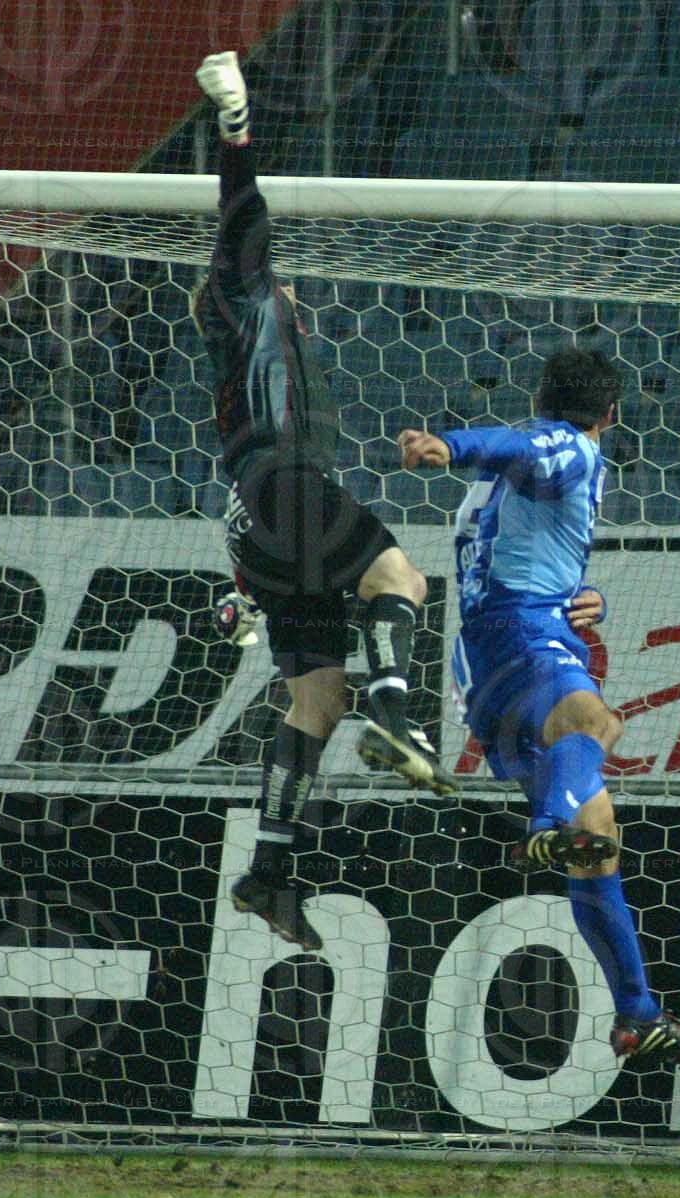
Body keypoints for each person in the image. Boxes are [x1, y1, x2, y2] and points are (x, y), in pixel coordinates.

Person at [194, 51, 454, 955]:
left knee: (314, 701)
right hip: (284, 487)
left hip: (260, 514)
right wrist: (235, 125)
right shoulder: (247, 300)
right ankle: (400, 711)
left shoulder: (274, 346)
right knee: (401, 576)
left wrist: (238, 588)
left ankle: (268, 868)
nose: (291, 286)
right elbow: (241, 213)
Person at [397, 347, 680, 1069]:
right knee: (598, 724)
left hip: (484, 663)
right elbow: (521, 444)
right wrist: (449, 446)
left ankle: (637, 1015)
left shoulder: (502, 489)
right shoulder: (567, 446)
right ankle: (542, 827)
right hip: (523, 639)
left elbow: (522, 513)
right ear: (612, 415)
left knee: (597, 830)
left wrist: (582, 597)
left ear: (540, 394)